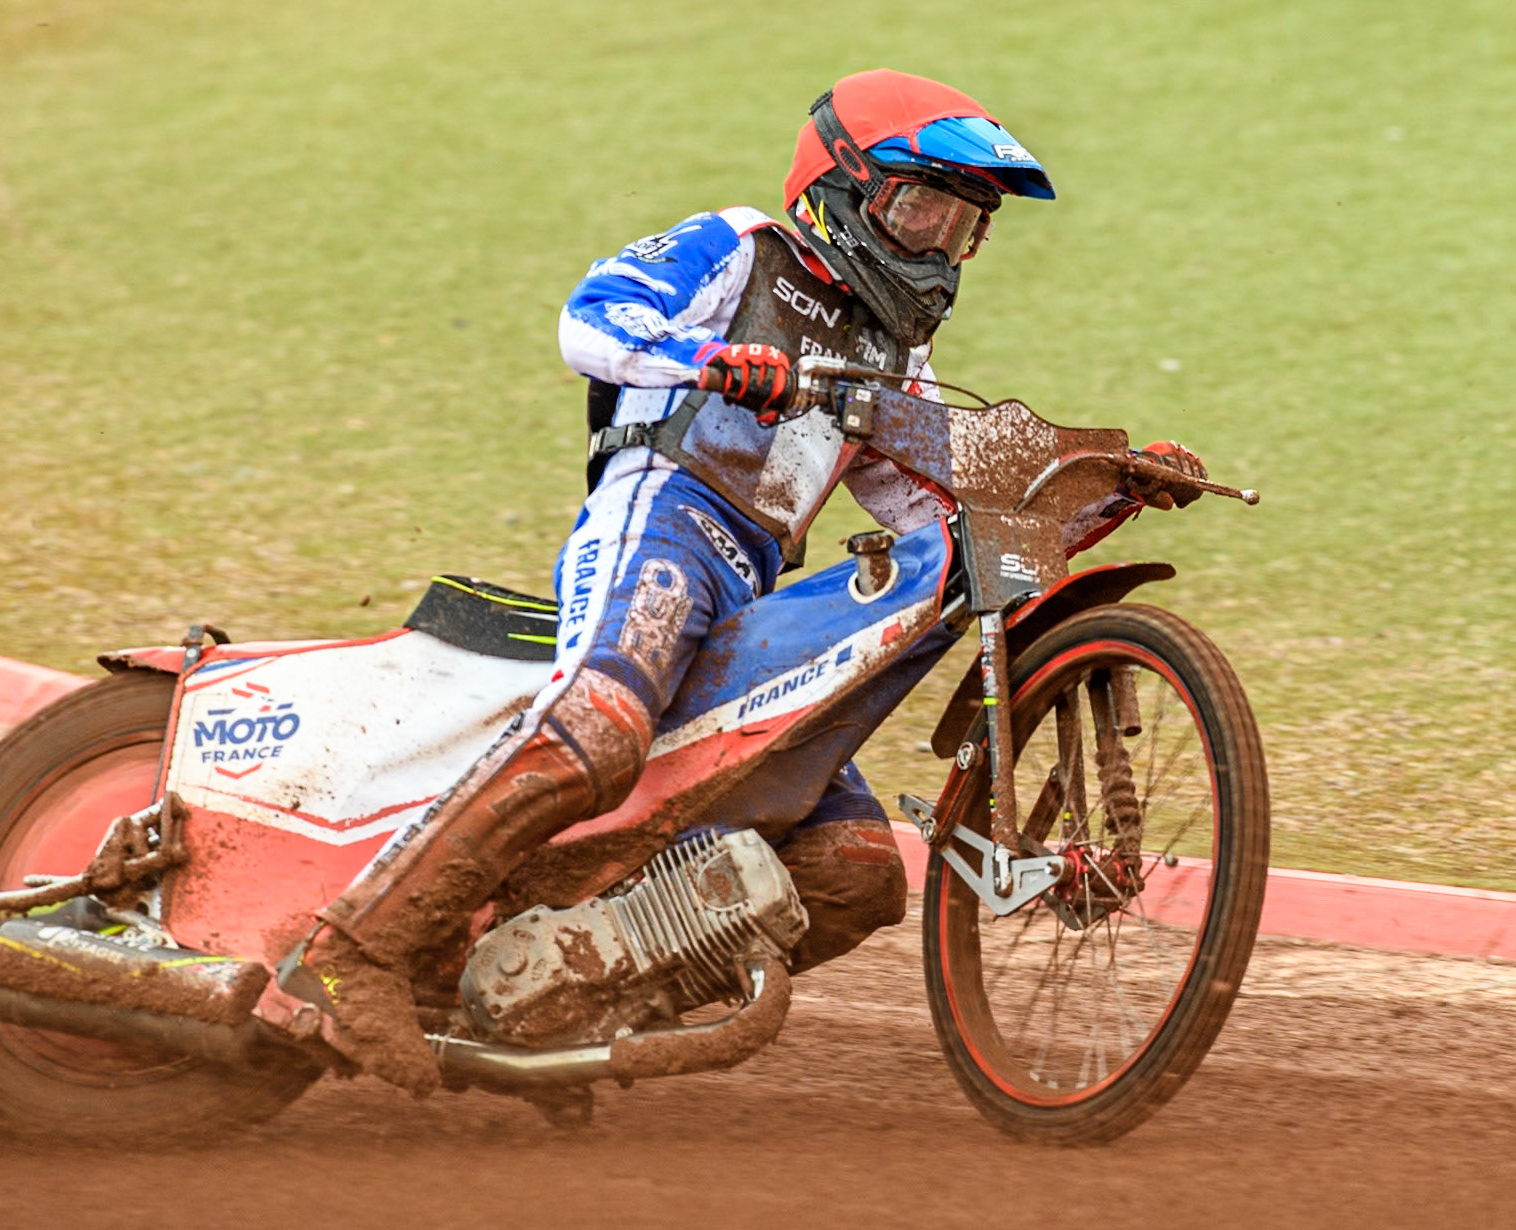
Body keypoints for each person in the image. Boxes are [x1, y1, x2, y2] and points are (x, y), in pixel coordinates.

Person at [273, 68, 1205, 1093]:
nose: (939, 245)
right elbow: (590, 320)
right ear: (844, 189)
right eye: (921, 208)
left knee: (851, 877)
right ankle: (351, 949)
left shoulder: (896, 353)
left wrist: (1101, 489)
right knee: (601, 728)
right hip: (661, 520)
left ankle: (557, 1009)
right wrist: (714, 360)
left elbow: (928, 506)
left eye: (962, 226)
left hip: (752, 580)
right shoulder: (743, 245)